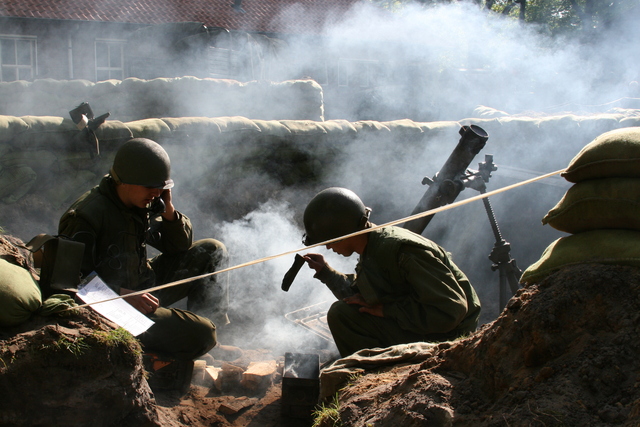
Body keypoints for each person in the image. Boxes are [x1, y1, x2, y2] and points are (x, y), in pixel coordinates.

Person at [58, 138, 229, 362]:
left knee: (211, 251)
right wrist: (122, 294)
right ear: (124, 181)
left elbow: (179, 246)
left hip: (144, 289)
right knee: (202, 333)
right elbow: (68, 281)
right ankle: (191, 342)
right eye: (150, 187)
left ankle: (208, 344)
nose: (156, 193)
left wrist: (168, 210)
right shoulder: (86, 216)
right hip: (112, 307)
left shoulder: (143, 202)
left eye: (160, 188)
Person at [300, 187, 481, 357]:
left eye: (330, 240)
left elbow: (450, 312)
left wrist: (388, 311)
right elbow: (362, 295)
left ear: (348, 232)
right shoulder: (372, 246)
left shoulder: (404, 252)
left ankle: (373, 376)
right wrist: (326, 272)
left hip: (449, 336)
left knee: (342, 316)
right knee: (345, 312)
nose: (328, 247)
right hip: (429, 325)